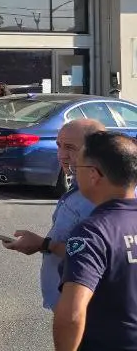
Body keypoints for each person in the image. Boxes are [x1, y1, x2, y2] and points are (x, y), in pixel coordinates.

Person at [2, 119, 106, 310]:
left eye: (70, 148)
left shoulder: (99, 195)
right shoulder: (79, 187)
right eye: (59, 145)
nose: (61, 155)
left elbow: (94, 254)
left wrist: (44, 244)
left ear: (96, 152)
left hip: (84, 310)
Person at [52, 131, 137, 351]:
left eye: (77, 167)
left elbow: (72, 314)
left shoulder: (92, 232)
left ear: (93, 174)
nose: (73, 173)